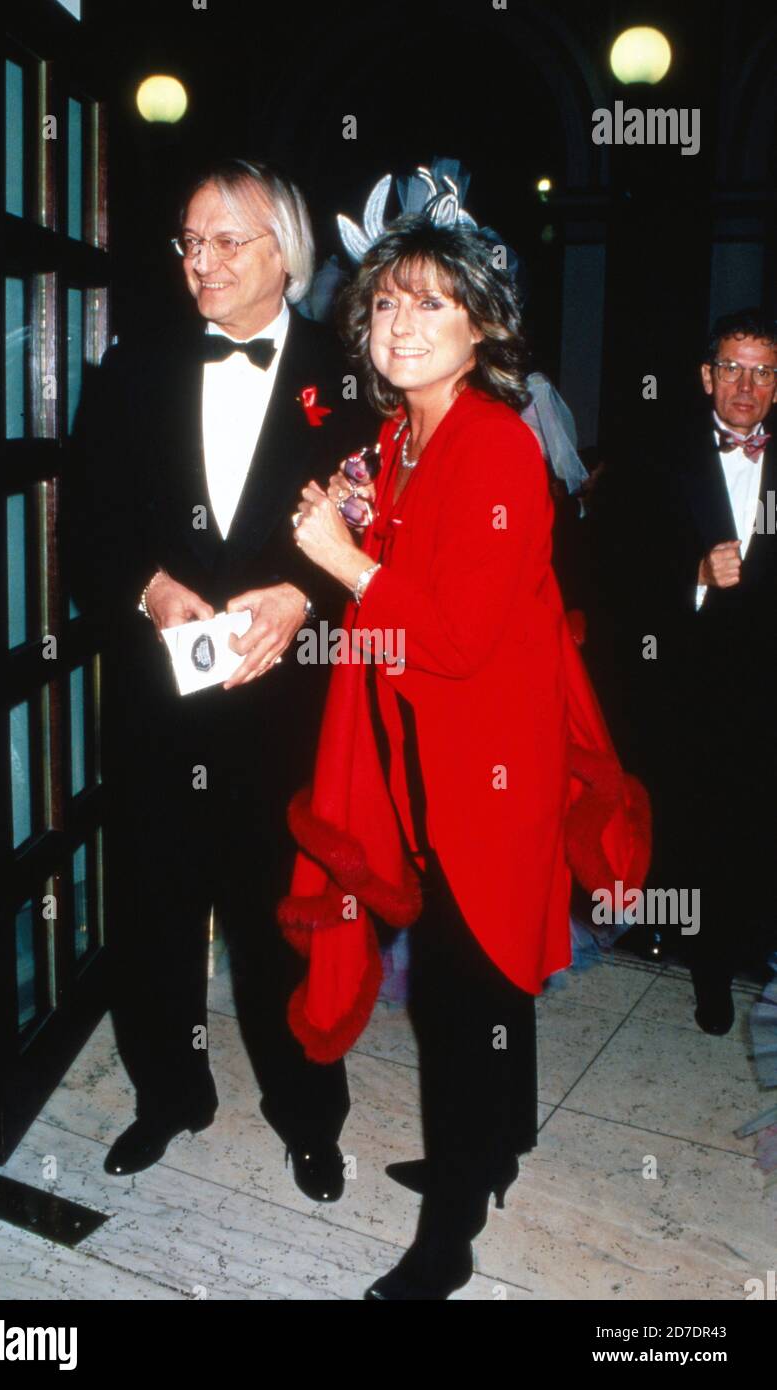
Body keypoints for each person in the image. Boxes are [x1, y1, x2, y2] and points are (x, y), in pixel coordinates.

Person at [283, 212, 648, 1299]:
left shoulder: (493, 440)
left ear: (483, 325)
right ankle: (491, 1151)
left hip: (488, 766)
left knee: (462, 985)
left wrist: (346, 560)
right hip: (430, 754)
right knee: (480, 975)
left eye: (433, 301)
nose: (401, 321)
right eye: (387, 300)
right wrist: (353, 525)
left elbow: (451, 634)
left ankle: (447, 1233)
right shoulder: (404, 434)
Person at [67, 158, 370, 1197]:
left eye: (224, 240)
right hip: (161, 705)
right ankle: (169, 1095)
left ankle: (307, 1114)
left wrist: (302, 596)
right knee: (152, 910)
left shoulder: (353, 379)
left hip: (290, 712)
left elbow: (383, 526)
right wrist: (151, 587)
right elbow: (89, 524)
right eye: (189, 242)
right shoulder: (133, 366)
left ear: (282, 251)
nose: (199, 261)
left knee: (285, 922)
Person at [628, 310, 776, 1033]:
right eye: (732, 368)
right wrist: (691, 573)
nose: (744, 385)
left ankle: (756, 951)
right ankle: (709, 972)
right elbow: (612, 569)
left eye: (761, 371)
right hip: (691, 688)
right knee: (702, 830)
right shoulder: (659, 455)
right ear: (705, 376)